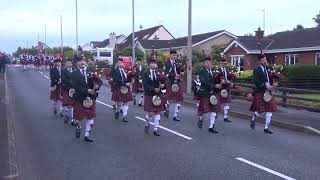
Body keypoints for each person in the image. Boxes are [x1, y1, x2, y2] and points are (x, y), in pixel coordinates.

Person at [72, 57, 102, 142]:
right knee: (78, 118)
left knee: (90, 117)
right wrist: (86, 90)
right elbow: (76, 86)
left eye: (83, 61)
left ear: (85, 62)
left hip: (91, 97)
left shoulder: (90, 71)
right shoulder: (74, 74)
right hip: (80, 97)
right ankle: (78, 126)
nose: (82, 63)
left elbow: (100, 81)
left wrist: (97, 86)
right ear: (77, 63)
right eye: (79, 61)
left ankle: (87, 134)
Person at [250, 54, 278, 134]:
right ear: (259, 61)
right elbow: (256, 82)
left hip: (269, 92)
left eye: (265, 60)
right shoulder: (257, 69)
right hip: (260, 91)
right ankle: (253, 118)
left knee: (270, 110)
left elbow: (273, 78)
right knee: (260, 110)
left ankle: (266, 128)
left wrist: (275, 83)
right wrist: (266, 86)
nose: (265, 61)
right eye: (263, 60)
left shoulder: (269, 68)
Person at [197, 56, 222, 133]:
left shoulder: (215, 71)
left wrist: (220, 83)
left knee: (214, 109)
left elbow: (217, 79)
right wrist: (213, 85)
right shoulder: (202, 72)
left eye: (209, 62)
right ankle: (201, 118)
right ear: (204, 64)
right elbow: (203, 82)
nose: (208, 64)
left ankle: (211, 127)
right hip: (205, 92)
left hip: (213, 93)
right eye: (206, 62)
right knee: (203, 109)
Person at [142, 59, 166, 136]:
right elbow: (145, 84)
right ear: (149, 65)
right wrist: (153, 89)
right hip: (149, 94)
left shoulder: (158, 72)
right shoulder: (145, 73)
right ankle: (147, 123)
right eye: (152, 63)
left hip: (158, 94)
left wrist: (163, 85)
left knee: (158, 112)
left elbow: (163, 81)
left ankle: (156, 129)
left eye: (154, 63)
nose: (153, 65)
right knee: (151, 113)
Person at [164, 49, 184, 121]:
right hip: (170, 81)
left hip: (177, 81)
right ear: (170, 55)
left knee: (179, 99)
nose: (175, 56)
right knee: (169, 98)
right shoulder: (167, 63)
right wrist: (175, 75)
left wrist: (182, 72)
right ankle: (167, 108)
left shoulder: (179, 62)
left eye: (175, 55)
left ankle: (175, 115)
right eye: (173, 55)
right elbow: (166, 73)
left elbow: (181, 69)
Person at [111, 58, 133, 122]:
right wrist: (125, 83)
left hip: (126, 88)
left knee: (126, 102)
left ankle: (124, 116)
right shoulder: (115, 71)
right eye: (118, 62)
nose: (120, 64)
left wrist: (131, 78)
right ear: (117, 64)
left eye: (121, 62)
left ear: (123, 63)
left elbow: (127, 78)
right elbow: (116, 79)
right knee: (119, 103)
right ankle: (117, 111)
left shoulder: (125, 71)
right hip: (118, 87)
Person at [215, 56, 234, 123]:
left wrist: (231, 82)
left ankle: (225, 117)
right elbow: (217, 80)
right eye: (223, 63)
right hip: (220, 88)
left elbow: (229, 78)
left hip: (226, 88)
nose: (224, 64)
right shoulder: (217, 70)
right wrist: (226, 82)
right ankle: (216, 114)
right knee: (218, 103)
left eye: (225, 63)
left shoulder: (227, 70)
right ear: (220, 63)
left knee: (226, 102)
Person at [61, 58, 75, 124]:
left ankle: (73, 120)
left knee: (73, 105)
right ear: (66, 63)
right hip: (67, 89)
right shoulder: (63, 71)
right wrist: (71, 83)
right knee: (69, 105)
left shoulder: (74, 70)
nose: (70, 64)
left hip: (74, 90)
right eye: (68, 62)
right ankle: (67, 115)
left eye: (71, 63)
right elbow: (64, 80)